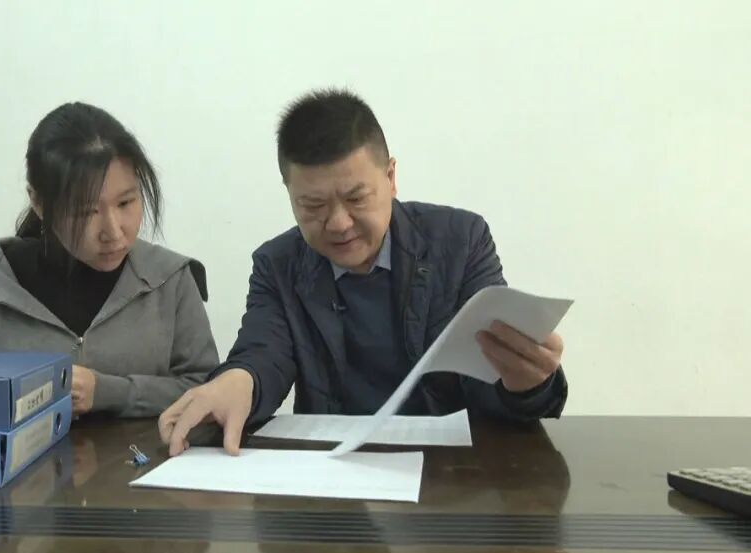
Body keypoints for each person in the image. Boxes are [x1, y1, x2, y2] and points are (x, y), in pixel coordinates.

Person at [159, 89, 567, 455]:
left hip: (448, 476)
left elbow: (489, 374)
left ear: (390, 178)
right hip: (334, 475)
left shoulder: (461, 242)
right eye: (313, 206)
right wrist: (237, 381)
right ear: (290, 195)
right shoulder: (277, 265)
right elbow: (264, 351)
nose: (339, 223)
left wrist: (527, 382)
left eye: (356, 198)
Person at [0, 102, 219, 418]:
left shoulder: (171, 280)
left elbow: (208, 390)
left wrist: (109, 392)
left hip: (148, 452)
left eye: (126, 202)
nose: (113, 231)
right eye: (86, 212)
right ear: (39, 203)